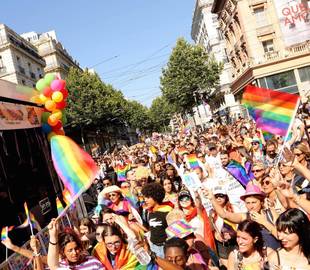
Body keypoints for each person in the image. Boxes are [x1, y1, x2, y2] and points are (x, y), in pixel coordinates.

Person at [205, 183, 280, 250]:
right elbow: (224, 215)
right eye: (248, 203)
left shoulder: (271, 213)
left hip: (276, 254)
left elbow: (280, 235)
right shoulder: (244, 216)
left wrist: (263, 222)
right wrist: (212, 199)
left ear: (261, 202)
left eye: (254, 202)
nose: (251, 206)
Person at [142, 182, 173, 258]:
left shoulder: (168, 211)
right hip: (153, 247)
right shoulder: (148, 212)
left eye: (148, 197)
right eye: (145, 197)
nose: (145, 200)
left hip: (166, 247)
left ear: (156, 197)